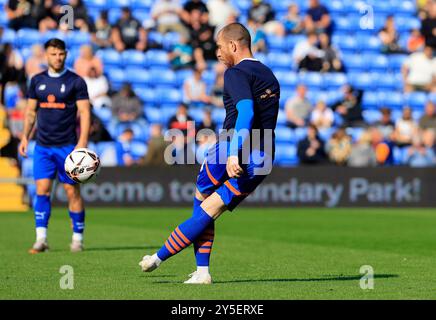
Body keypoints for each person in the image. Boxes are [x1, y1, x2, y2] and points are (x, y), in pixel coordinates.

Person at [138, 23, 280, 284]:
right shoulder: (269, 74)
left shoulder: (236, 73)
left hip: (233, 146)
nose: (217, 52)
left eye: (219, 46)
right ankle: (200, 273)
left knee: (201, 203)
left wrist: (234, 152)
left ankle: (162, 259)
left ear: (233, 46)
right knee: (212, 209)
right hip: (264, 155)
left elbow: (246, 112)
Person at [18, 38, 91, 254]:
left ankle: (77, 239)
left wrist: (82, 142)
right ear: (46, 55)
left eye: (61, 54)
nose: (57, 58)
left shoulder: (76, 82)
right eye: (53, 54)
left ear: (66, 55)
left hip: (67, 147)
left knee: (71, 191)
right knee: (42, 189)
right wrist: (24, 137)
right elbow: (31, 112)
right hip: (42, 146)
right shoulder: (37, 80)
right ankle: (41, 239)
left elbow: (85, 112)